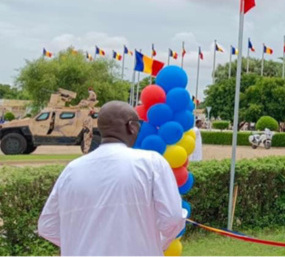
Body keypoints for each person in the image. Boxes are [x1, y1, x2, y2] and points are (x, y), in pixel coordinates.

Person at [38, 101, 185, 256]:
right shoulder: (151, 163)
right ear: (131, 126)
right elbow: (173, 218)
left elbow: (47, 226)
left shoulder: (71, 170)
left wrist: (83, 243)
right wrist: (155, 243)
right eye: (139, 124)